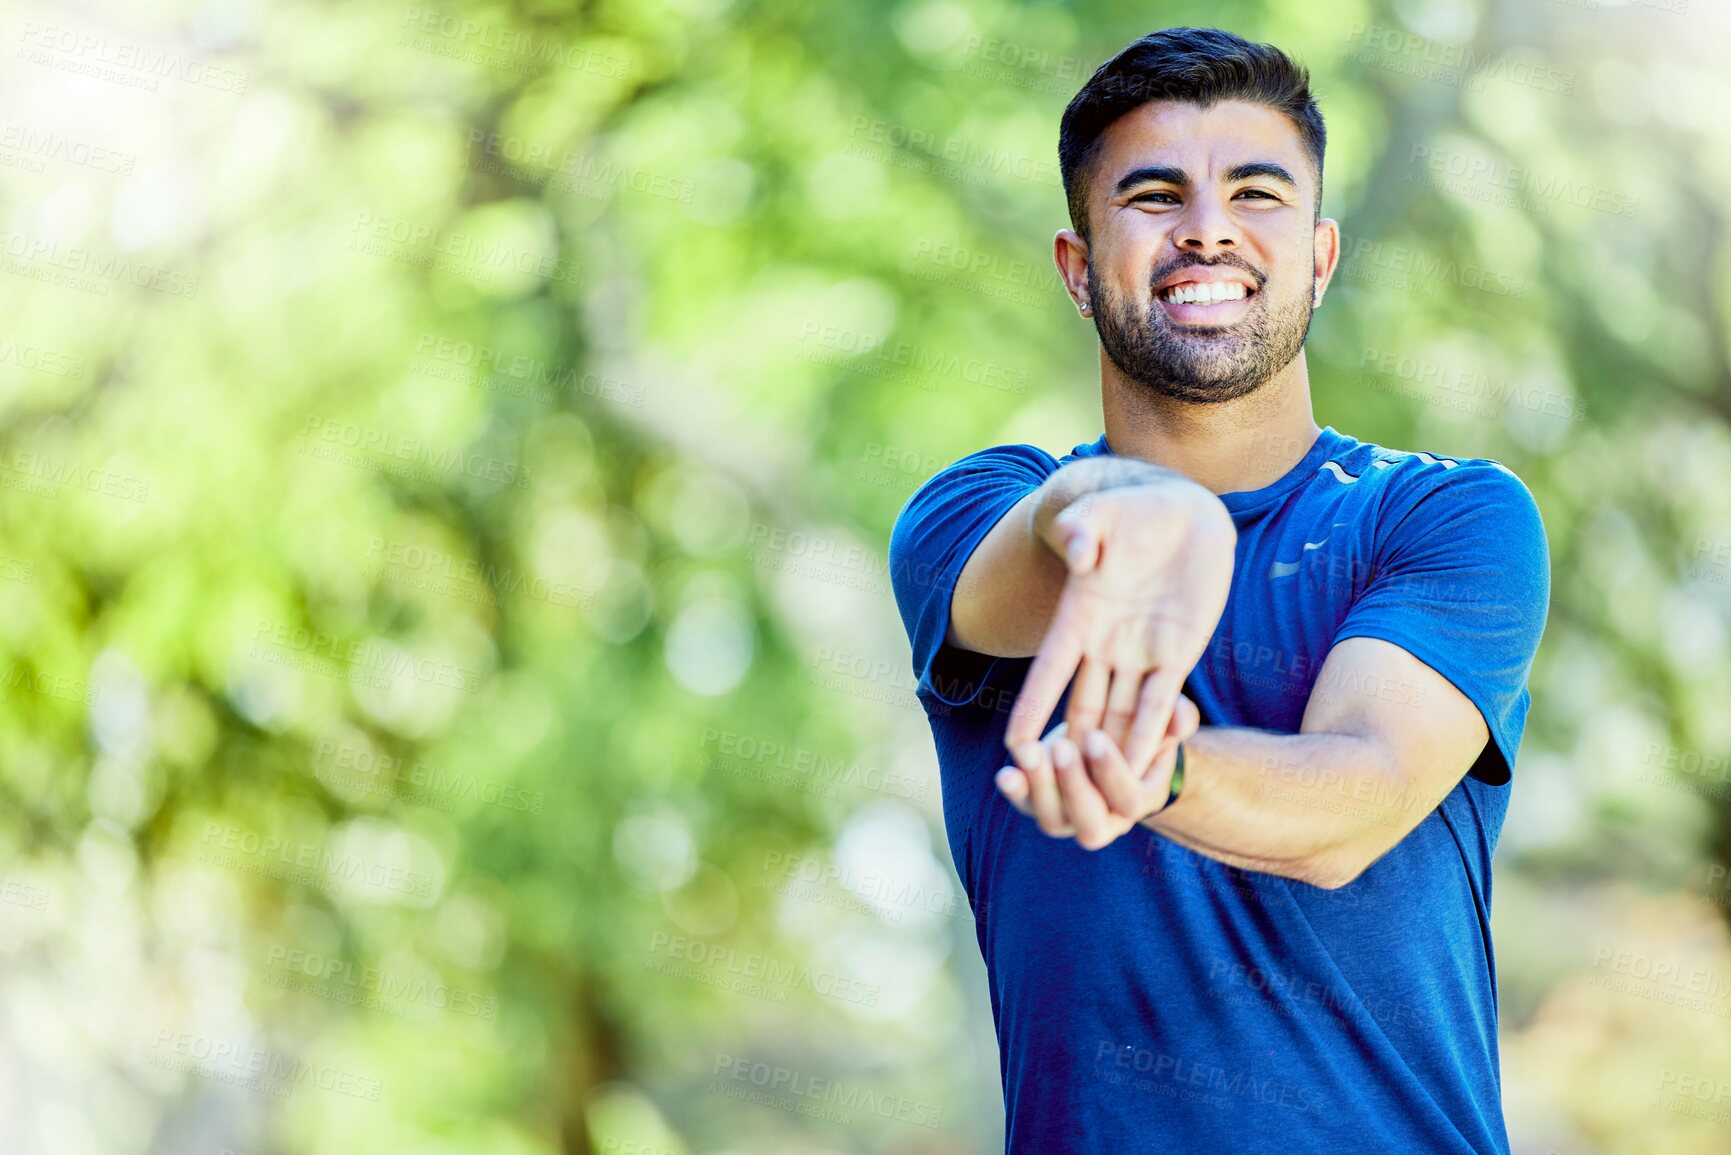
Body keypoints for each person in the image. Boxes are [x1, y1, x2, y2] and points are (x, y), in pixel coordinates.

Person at [887, 26, 1551, 1155]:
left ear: (1321, 256)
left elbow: (1362, 793)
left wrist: (1157, 767)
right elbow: (1019, 567)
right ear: (1078, 267)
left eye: (1257, 192)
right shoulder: (972, 520)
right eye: (1154, 195)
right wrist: (1114, 513)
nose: (1208, 227)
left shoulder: (1447, 518)